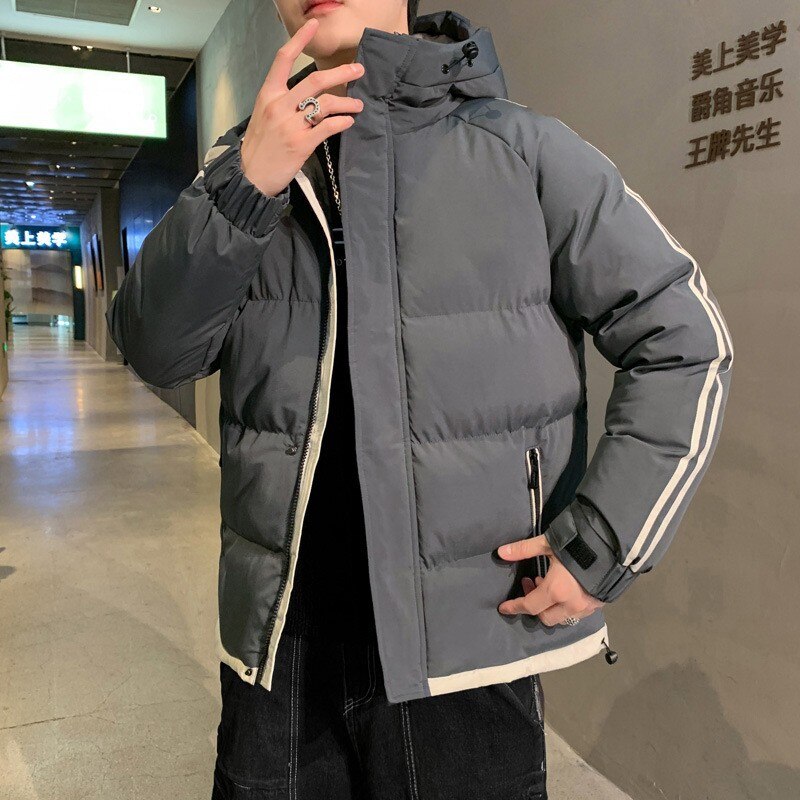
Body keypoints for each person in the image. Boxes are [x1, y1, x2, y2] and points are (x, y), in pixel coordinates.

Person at [105, 2, 734, 798]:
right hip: (282, 646)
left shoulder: (522, 149)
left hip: (466, 651)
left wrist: (604, 543)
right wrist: (246, 188)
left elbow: (686, 341)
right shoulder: (243, 166)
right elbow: (156, 351)